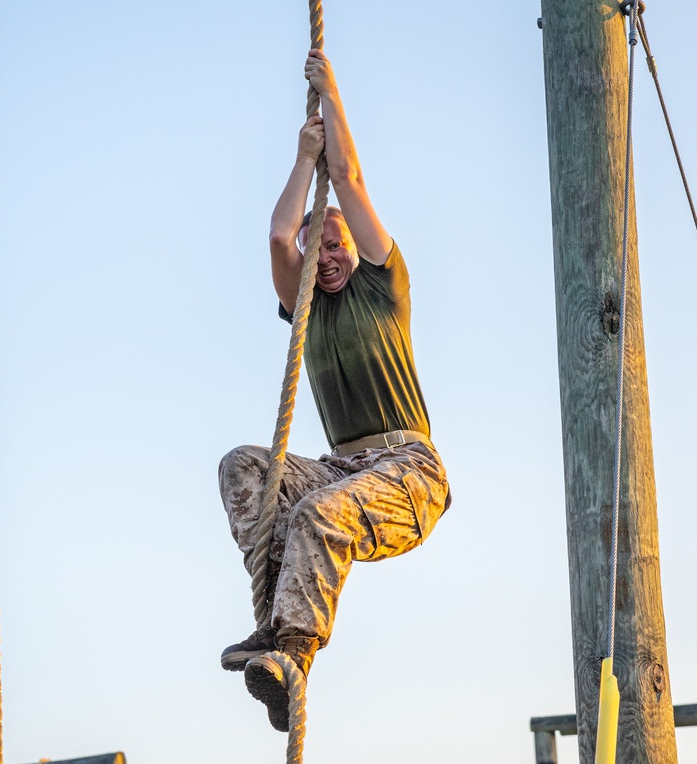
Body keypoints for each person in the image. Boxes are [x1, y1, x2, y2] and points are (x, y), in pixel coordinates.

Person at [218, 49, 451, 733]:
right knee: (243, 467)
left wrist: (331, 98)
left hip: (407, 470)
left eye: (335, 242)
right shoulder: (304, 312)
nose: (325, 257)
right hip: (341, 465)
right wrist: (299, 160)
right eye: (315, 248)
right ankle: (275, 621)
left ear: (355, 244)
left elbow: (347, 177)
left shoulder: (383, 283)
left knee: (323, 512)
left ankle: (292, 656)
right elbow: (276, 233)